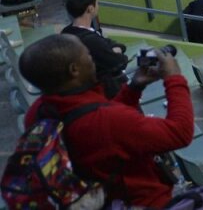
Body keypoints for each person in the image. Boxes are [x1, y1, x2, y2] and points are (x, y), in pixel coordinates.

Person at [19, 35, 193, 208]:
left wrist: (134, 88)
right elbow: (180, 132)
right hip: (141, 202)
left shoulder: (37, 112)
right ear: (74, 69)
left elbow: (102, 129)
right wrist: (174, 78)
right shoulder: (107, 121)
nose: (93, 60)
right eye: (87, 55)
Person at [61, 0, 129, 98]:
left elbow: (109, 43)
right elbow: (120, 62)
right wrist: (116, 50)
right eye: (97, 3)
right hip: (103, 91)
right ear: (90, 9)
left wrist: (115, 48)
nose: (98, 6)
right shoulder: (91, 41)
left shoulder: (67, 31)